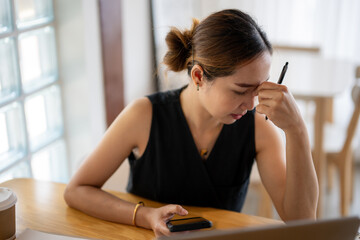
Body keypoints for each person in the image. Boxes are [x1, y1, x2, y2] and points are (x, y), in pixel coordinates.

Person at [64, 9, 318, 237]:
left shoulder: (257, 128)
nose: (252, 104)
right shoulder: (144, 115)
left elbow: (302, 220)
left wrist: (297, 129)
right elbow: (77, 190)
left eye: (259, 89)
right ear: (198, 76)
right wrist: (146, 216)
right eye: (240, 90)